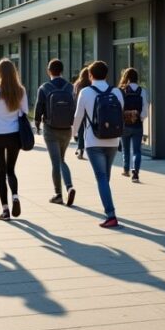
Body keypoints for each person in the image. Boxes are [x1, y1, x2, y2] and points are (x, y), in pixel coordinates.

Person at [72, 60, 124, 228]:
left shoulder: (85, 92)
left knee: (101, 178)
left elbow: (78, 116)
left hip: (93, 141)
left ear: (90, 75)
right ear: (106, 75)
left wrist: (73, 134)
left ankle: (111, 215)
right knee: (105, 178)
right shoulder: (117, 92)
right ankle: (107, 209)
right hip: (113, 140)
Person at [0, 59, 28, 220]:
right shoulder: (20, 91)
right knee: (11, 170)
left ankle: (5, 209)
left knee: (0, 173)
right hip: (14, 135)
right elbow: (25, 111)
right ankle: (15, 196)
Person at [34, 59, 77, 205]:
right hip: (66, 129)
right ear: (62, 71)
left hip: (51, 129)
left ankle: (59, 193)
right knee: (62, 160)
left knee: (56, 162)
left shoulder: (44, 88)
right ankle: (69, 187)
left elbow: (39, 108)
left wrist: (37, 123)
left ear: (48, 71)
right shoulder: (70, 87)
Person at [118, 68, 145, 182]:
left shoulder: (122, 91)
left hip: (125, 125)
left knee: (125, 148)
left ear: (126, 77)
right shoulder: (142, 91)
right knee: (137, 150)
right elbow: (145, 110)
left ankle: (126, 169)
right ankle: (135, 173)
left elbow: (119, 108)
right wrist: (138, 117)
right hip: (138, 125)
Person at [72, 66, 91, 160]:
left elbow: (74, 98)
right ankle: (88, 147)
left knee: (80, 130)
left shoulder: (77, 84)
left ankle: (80, 148)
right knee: (88, 129)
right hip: (89, 110)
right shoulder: (91, 84)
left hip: (79, 109)